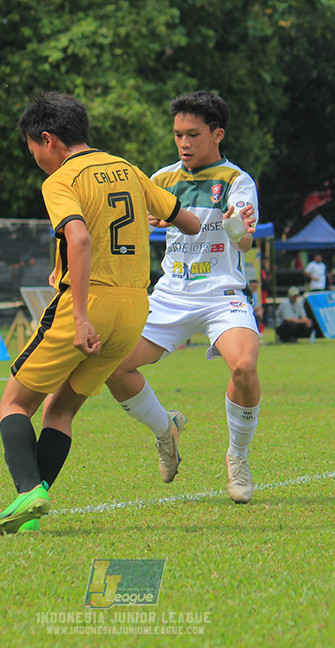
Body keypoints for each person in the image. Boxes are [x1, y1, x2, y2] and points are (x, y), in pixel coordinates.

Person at [0, 91, 201, 535]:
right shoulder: (128, 169)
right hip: (134, 308)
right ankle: (30, 513)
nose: (36, 160)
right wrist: (158, 221)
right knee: (59, 411)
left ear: (48, 139)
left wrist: (80, 316)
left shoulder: (61, 180)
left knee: (14, 402)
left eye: (33, 151)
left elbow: (80, 239)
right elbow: (190, 222)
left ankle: (29, 489)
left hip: (90, 306)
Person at [105, 90, 261, 504]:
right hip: (170, 294)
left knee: (244, 366)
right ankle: (165, 429)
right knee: (113, 367)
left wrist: (235, 230)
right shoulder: (160, 180)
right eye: (178, 135)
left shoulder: (237, 182)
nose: (184, 144)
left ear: (218, 134)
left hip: (221, 294)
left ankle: (238, 457)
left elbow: (246, 243)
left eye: (193, 134)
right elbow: (131, 229)